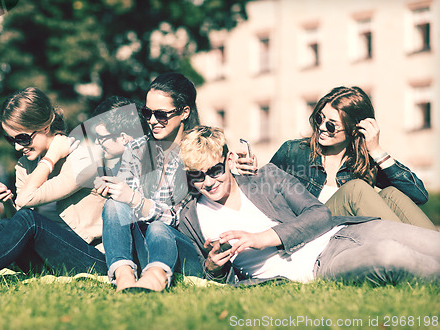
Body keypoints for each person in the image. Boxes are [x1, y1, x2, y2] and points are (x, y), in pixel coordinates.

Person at [177, 125, 440, 285]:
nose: (208, 182)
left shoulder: (266, 176)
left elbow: (320, 214)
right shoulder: (192, 217)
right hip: (320, 264)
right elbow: (209, 277)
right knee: (391, 256)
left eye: (214, 170)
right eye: (196, 175)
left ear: (229, 159)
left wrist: (262, 238)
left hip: (344, 232)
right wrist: (214, 268)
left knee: (433, 244)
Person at [0, 88, 125, 289]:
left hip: (94, 258)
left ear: (45, 127)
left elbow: (27, 204)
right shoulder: (26, 165)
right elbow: (18, 220)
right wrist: (8, 203)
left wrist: (50, 158)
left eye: (22, 138)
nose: (17, 147)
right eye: (11, 140)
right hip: (50, 255)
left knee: (30, 221)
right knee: (4, 226)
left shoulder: (82, 159)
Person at [238, 86, 435, 230]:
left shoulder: (363, 162)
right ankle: (410, 249)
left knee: (391, 194)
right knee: (355, 189)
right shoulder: (294, 151)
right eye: (319, 118)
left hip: (350, 235)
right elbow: (262, 197)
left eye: (331, 124)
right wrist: (253, 174)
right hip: (311, 234)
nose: (322, 127)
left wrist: (377, 151)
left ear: (354, 129)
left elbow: (419, 195)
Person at [95, 72, 203, 292]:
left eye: (161, 114)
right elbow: (126, 206)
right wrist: (116, 192)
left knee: (157, 228)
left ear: (184, 113)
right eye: (147, 113)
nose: (152, 120)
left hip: (179, 248)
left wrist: (134, 199)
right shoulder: (137, 149)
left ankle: (156, 279)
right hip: (143, 245)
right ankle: (124, 277)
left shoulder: (197, 153)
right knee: (114, 205)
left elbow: (178, 218)